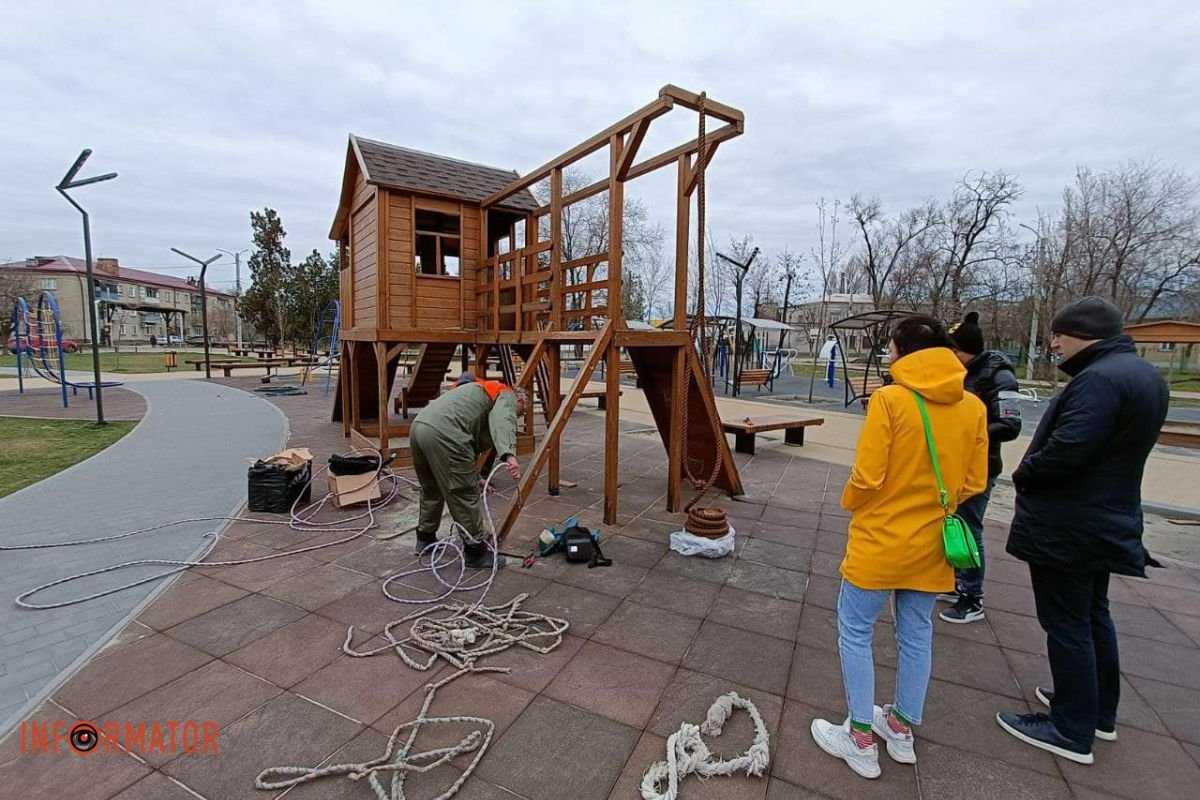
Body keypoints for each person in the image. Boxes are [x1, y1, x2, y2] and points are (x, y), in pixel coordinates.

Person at [812, 315, 988, 779]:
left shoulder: (890, 401)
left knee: (855, 631)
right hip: (933, 543)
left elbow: (867, 477)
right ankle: (901, 728)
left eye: (890, 348)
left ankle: (860, 737)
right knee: (916, 634)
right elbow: (974, 480)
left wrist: (850, 500)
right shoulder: (972, 406)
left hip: (881, 540)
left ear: (902, 352)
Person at [996, 296, 1168, 765]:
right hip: (1105, 517)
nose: (1054, 343)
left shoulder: (1098, 381)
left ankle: (1070, 728)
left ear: (1082, 333)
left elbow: (1069, 449)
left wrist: (1028, 474)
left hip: (1070, 523)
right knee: (1093, 614)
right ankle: (1097, 711)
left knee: (1067, 622)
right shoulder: (1141, 375)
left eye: (1059, 334)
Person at [938, 311, 1023, 623]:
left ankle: (972, 597)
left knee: (969, 528)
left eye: (953, 351)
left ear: (965, 351)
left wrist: (970, 433)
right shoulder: (962, 373)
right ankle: (954, 582)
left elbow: (1011, 424)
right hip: (954, 464)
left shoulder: (999, 376)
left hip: (980, 466)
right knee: (953, 524)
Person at [409, 379, 526, 569]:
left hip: (420, 427)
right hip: (446, 434)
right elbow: (504, 420)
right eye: (522, 411)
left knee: (432, 488)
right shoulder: (506, 394)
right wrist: (509, 455)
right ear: (519, 399)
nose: (520, 415)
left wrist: (475, 477)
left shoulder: (477, 392)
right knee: (464, 493)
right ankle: (475, 552)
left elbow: (465, 448)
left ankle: (425, 538)